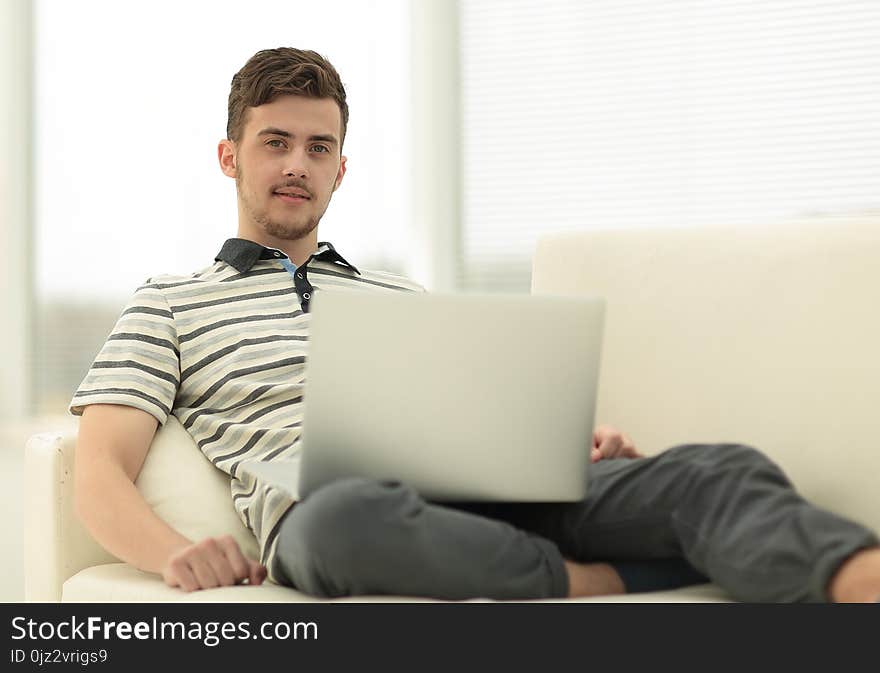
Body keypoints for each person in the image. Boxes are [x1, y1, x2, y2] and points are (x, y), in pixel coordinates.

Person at [71, 47, 880, 603]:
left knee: (715, 469)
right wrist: (174, 552)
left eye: (319, 148)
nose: (296, 166)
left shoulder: (400, 292)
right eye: (275, 142)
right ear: (229, 157)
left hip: (488, 499)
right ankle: (591, 580)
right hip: (337, 515)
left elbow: (479, 420)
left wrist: (560, 443)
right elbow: (99, 468)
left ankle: (856, 584)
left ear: (341, 169)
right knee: (347, 520)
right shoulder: (169, 301)